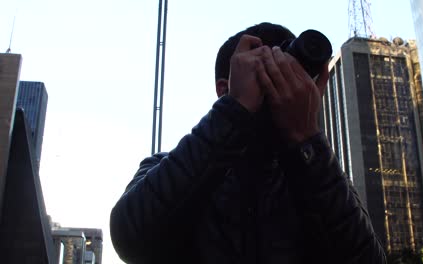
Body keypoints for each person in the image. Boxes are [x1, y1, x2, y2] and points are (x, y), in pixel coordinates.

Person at [110, 22, 386, 264]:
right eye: (264, 71)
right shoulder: (164, 166)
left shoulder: (315, 174)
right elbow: (130, 239)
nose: (280, 84)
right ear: (224, 89)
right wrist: (235, 110)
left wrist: (307, 138)